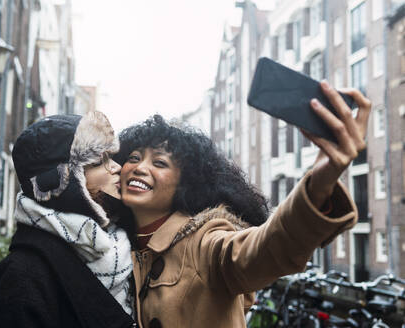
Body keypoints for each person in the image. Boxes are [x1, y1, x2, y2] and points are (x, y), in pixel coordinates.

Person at [115, 81, 371, 328]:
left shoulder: (203, 242)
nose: (139, 168)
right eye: (134, 158)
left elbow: (267, 248)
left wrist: (319, 184)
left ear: (185, 184)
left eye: (159, 163)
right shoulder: (114, 244)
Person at [0, 112, 136, 328]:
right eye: (98, 161)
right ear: (67, 181)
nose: (116, 167)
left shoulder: (121, 246)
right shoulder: (22, 278)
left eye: (110, 157)